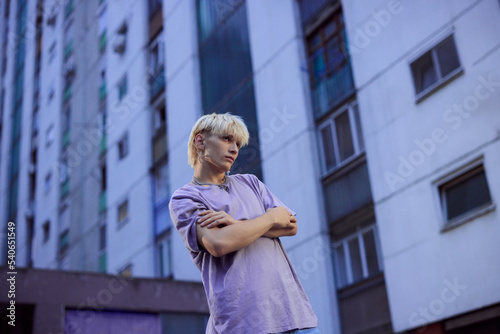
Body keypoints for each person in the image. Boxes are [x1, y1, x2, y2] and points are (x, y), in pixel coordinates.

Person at [169, 113, 319, 334]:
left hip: (294, 316)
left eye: (238, 144)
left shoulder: (251, 182)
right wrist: (269, 219)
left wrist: (235, 224)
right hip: (243, 323)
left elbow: (290, 225)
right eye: (226, 139)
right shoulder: (185, 198)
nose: (234, 149)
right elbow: (219, 243)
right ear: (200, 141)